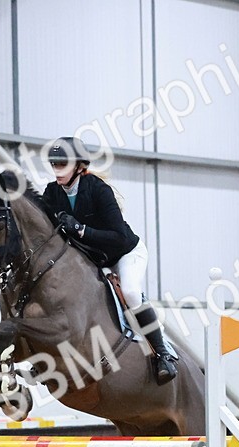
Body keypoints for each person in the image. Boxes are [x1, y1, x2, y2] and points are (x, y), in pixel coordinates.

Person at [40, 137, 178, 385]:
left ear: (79, 166)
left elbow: (118, 237)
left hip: (124, 253)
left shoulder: (99, 190)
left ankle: (162, 354)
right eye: (54, 165)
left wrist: (81, 230)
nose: (57, 170)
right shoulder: (52, 193)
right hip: (94, 260)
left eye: (62, 164)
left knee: (131, 292)